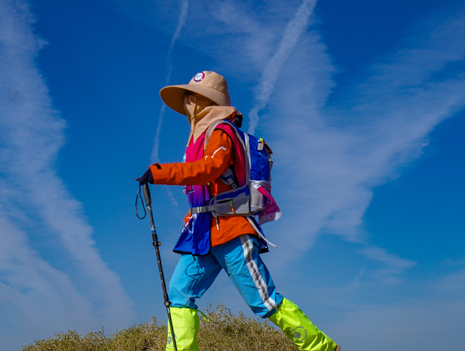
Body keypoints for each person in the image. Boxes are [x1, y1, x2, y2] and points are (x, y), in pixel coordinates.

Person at [138, 71, 340, 351]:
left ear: (208, 100)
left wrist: (160, 172)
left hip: (231, 229)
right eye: (187, 96)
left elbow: (210, 169)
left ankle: (322, 348)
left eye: (192, 95)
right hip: (201, 233)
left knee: (264, 301)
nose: (187, 101)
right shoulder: (198, 137)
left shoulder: (221, 131)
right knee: (179, 294)